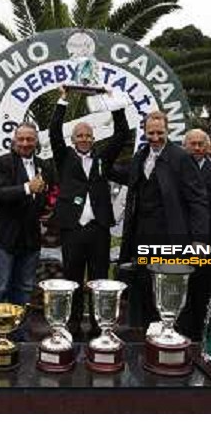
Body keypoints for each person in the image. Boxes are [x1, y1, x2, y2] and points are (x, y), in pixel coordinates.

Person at [116, 111, 209, 328]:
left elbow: (198, 200)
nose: (155, 137)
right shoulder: (140, 156)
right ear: (144, 132)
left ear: (168, 131)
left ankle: (173, 337)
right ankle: (145, 336)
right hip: (142, 236)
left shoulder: (181, 157)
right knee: (143, 288)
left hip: (171, 236)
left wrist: (199, 239)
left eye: (160, 132)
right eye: (151, 133)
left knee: (170, 289)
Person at [49, 87, 129, 336]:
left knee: (99, 279)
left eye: (88, 135)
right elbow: (53, 132)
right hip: (72, 228)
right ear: (73, 139)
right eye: (79, 135)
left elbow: (122, 133)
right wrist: (63, 98)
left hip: (98, 228)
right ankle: (71, 325)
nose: (84, 138)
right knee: (71, 279)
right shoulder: (64, 157)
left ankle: (99, 325)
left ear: (93, 139)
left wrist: (112, 101)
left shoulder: (103, 158)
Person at [0, 123, 48, 313]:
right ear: (14, 141)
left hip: (31, 239)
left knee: (25, 288)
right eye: (21, 139)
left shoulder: (43, 166)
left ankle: (20, 333)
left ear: (36, 141)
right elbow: (1, 193)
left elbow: (45, 196)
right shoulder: (2, 162)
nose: (25, 143)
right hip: (6, 238)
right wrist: (28, 188)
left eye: (30, 139)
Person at [178, 129, 211, 339]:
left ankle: (201, 335)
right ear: (184, 146)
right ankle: (179, 332)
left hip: (208, 239)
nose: (197, 148)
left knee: (202, 289)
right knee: (181, 290)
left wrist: (197, 198)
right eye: (193, 144)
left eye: (201, 144)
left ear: (207, 147)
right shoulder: (175, 167)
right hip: (179, 239)